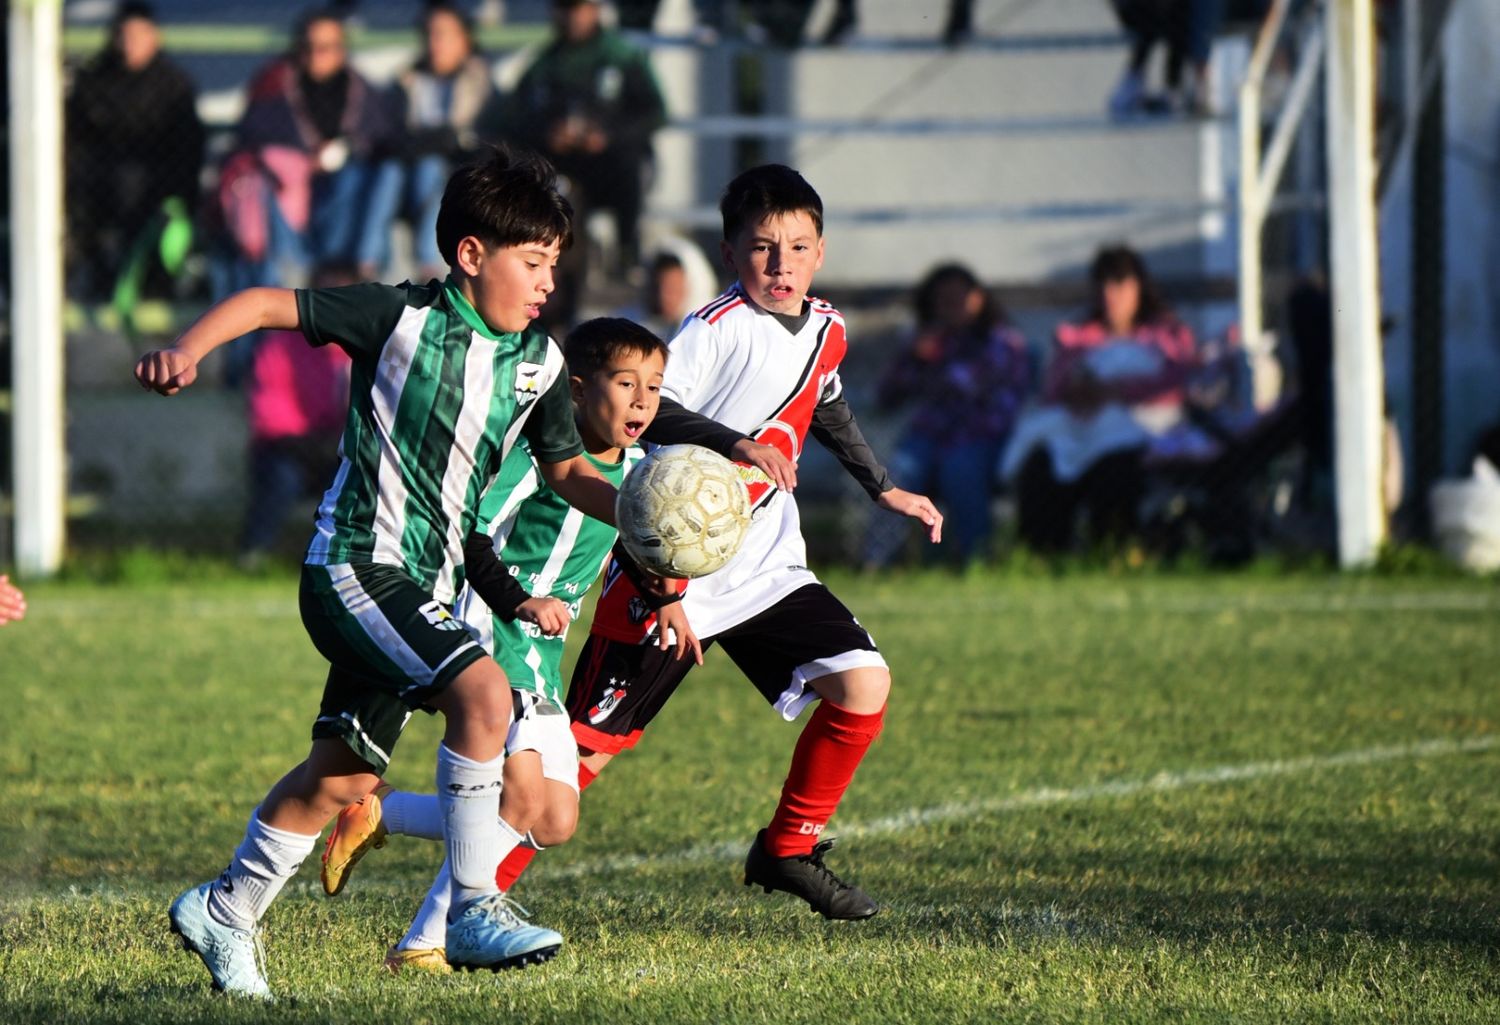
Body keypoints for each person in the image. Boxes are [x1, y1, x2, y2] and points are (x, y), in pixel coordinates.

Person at [135, 147, 639, 996]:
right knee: (482, 697)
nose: (550, 279)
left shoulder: (540, 364)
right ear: (471, 255)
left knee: (346, 775)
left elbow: (566, 473)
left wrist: (643, 512)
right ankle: (474, 905)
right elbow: (266, 301)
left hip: (426, 590)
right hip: (355, 565)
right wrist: (188, 348)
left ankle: (226, 910)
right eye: (533, 261)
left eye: (556, 262)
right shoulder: (399, 317)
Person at [398, 164, 941, 922]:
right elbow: (649, 411)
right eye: (761, 248)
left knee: (863, 683)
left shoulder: (827, 329)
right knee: (575, 766)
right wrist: (731, 455)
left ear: (820, 252)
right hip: (668, 571)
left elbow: (828, 399)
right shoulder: (713, 331)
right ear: (729, 253)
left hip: (762, 566)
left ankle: (788, 847)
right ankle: (451, 917)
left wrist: (880, 485)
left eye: (796, 246)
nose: (779, 264)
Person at [320, 317, 717, 973]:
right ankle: (424, 942)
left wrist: (668, 600)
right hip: (494, 623)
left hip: (542, 651)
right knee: (522, 798)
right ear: (580, 390)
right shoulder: (539, 458)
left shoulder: (642, 472)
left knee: (554, 817)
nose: (643, 400)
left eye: (654, 385)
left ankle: (380, 809)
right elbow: (469, 530)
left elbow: (631, 541)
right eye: (625, 383)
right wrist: (516, 598)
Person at [1002, 244, 1198, 554]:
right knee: (1042, 466)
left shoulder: (1167, 334)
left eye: (1120, 283)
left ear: (1139, 287)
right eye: (1103, 284)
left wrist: (1117, 391)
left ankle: (1113, 551)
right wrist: (1078, 391)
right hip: (1080, 428)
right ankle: (1043, 554)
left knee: (1115, 468)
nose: (1111, 294)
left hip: (1141, 433)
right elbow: (1053, 392)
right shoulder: (1076, 335)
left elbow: (1177, 384)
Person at [504, 0, 667, 324]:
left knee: (626, 169)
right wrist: (549, 134)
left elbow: (654, 112)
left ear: (595, 9)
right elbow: (515, 119)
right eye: (565, 7)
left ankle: (626, 257)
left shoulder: (623, 57)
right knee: (558, 208)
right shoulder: (545, 64)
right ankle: (562, 307)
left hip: (616, 171)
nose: (572, 15)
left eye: (579, 7)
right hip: (565, 171)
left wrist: (607, 135)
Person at [863, 263, 1029, 568]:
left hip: (982, 437)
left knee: (960, 469)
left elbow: (973, 386)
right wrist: (913, 358)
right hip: (928, 437)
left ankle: (974, 559)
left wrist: (934, 362)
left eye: (959, 297)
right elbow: (885, 396)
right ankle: (878, 562)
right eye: (943, 300)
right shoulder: (924, 342)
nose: (952, 307)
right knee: (894, 474)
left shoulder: (1002, 340)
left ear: (978, 298)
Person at [218, 8, 397, 290]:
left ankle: (347, 273)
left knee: (361, 175)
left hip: (345, 208)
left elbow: (382, 140)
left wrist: (346, 150)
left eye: (326, 47)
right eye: (309, 46)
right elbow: (252, 139)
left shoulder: (361, 92)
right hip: (286, 203)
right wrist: (302, 161)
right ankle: (293, 280)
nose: (316, 55)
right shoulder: (274, 87)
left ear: (342, 50)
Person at [66, 1, 204, 301]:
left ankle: (156, 281)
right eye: (124, 36)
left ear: (154, 38)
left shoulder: (173, 84)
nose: (130, 45)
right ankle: (101, 275)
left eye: (138, 36)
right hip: (100, 185)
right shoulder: (94, 81)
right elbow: (77, 140)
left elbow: (189, 146)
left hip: (161, 186)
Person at [362, 3, 501, 281]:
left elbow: (481, 139)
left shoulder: (481, 85)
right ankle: (366, 261)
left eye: (443, 34)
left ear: (465, 39)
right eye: (428, 34)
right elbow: (388, 134)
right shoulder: (406, 81)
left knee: (430, 166)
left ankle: (429, 264)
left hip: (455, 174)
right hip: (404, 172)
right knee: (388, 171)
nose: (433, 43)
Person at [237, 262, 356, 567]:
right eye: (325, 296)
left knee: (355, 478)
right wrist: (308, 441)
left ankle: (345, 559)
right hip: (289, 446)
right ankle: (253, 553)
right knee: (282, 476)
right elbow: (268, 408)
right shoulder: (282, 345)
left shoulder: (364, 350)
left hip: (340, 448)